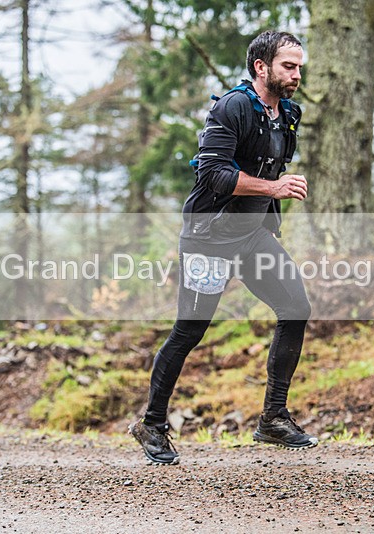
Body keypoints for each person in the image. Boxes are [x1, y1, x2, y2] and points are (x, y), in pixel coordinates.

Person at [129, 30, 317, 465]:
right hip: (209, 239)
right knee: (190, 331)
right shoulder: (231, 108)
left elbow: (270, 166)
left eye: (299, 66)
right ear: (261, 66)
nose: (297, 74)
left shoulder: (289, 113)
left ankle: (273, 418)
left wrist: (269, 222)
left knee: (296, 309)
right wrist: (275, 188)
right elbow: (214, 174)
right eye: (289, 66)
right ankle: (152, 423)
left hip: (252, 237)